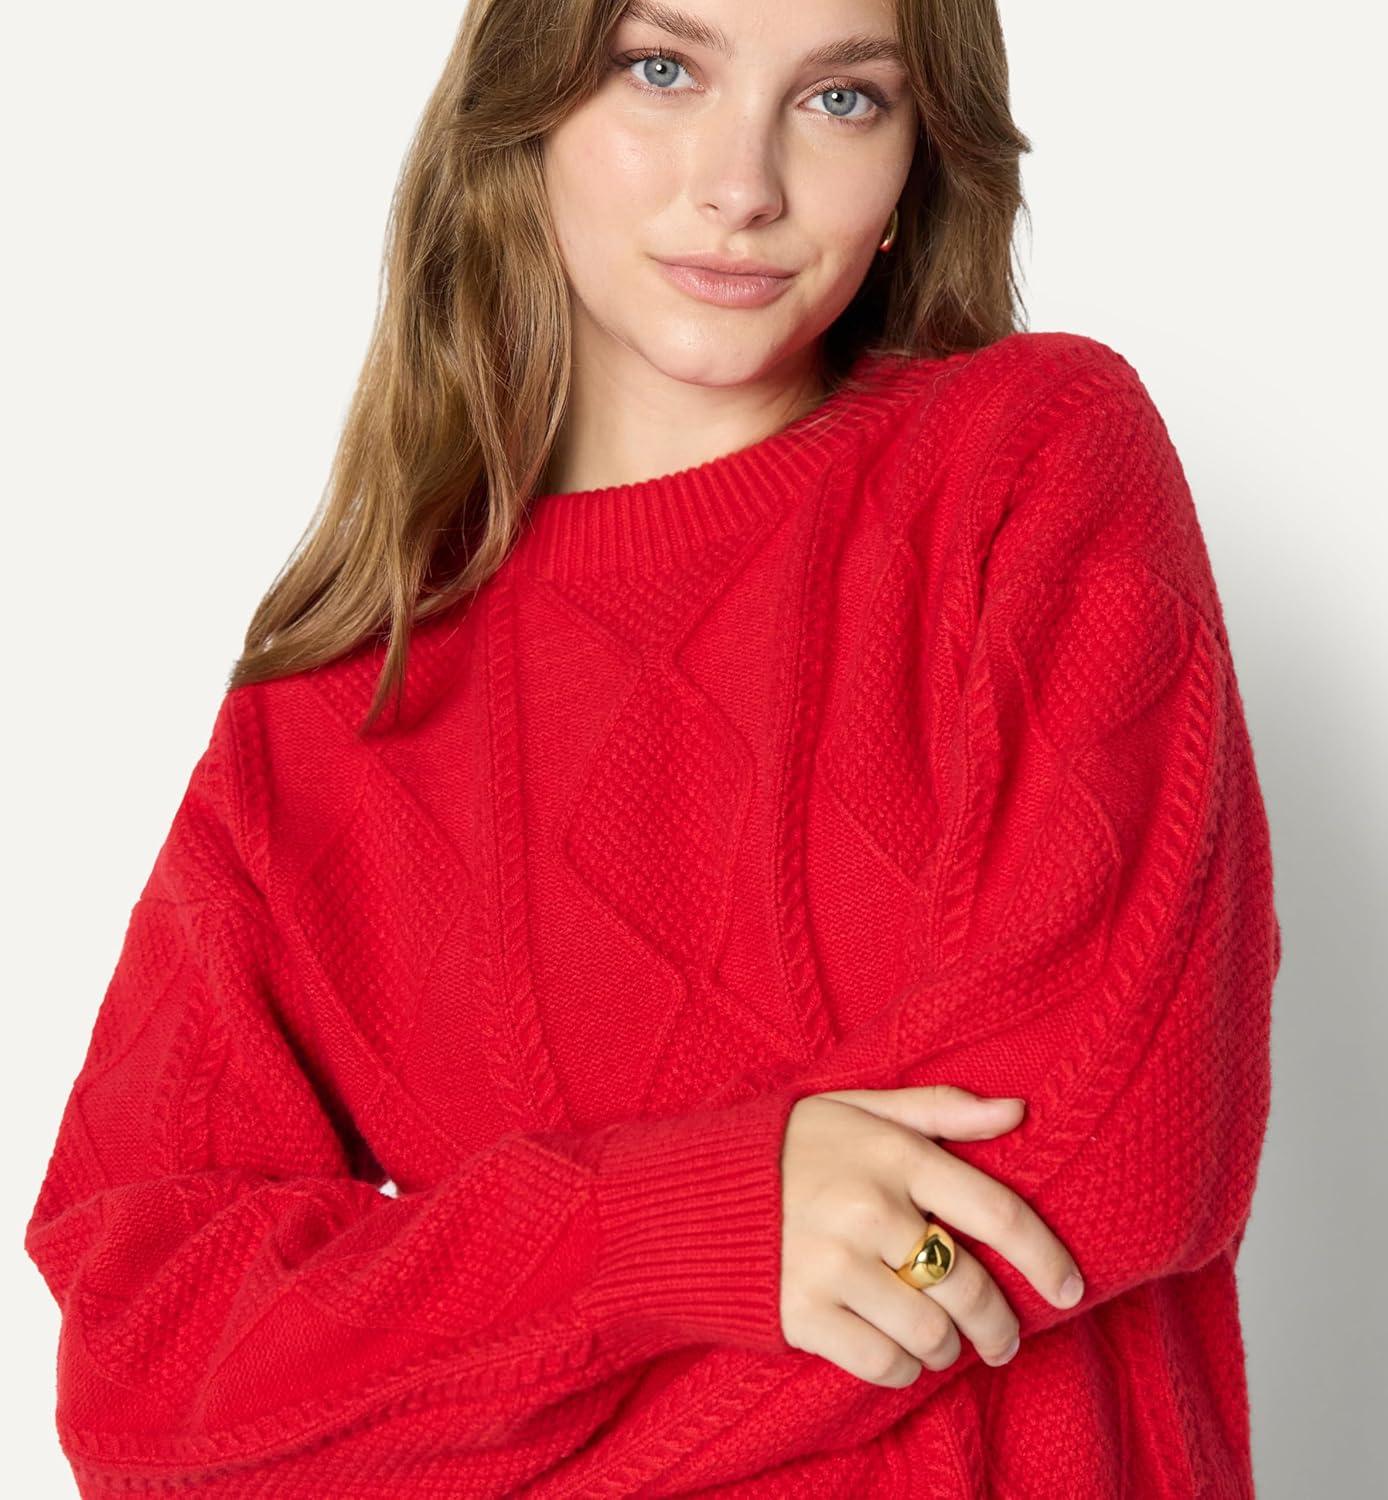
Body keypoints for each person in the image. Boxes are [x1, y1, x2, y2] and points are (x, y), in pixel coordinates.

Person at [23, 1, 1282, 1495]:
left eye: (842, 101)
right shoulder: (336, 708)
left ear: (916, 166)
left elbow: (1099, 1158)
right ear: (526, 109)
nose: (742, 185)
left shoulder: (1031, 462)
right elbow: (148, 1374)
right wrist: (675, 1231)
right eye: (663, 69)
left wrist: (461, 1399)